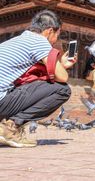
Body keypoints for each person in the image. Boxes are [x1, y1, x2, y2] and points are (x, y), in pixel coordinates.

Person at [0, 10, 75, 148]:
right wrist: (63, 68)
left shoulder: (17, 40)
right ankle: (10, 128)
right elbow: (63, 78)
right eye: (58, 34)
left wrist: (61, 65)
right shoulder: (39, 41)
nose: (56, 39)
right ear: (49, 31)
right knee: (62, 90)